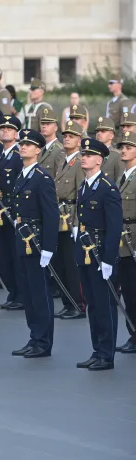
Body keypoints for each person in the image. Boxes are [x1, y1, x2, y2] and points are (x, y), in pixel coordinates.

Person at [74, 138, 122, 371]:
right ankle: (97, 350)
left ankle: (107, 355)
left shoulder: (107, 188)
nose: (84, 157)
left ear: (99, 160)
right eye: (83, 153)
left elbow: (114, 228)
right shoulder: (85, 185)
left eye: (89, 154)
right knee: (92, 304)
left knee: (105, 304)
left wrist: (108, 260)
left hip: (101, 252)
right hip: (85, 251)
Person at [10, 129, 59, 358]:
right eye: (22, 143)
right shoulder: (23, 175)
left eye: (28, 144)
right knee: (28, 294)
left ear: (38, 149)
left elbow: (51, 215)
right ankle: (34, 336)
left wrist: (48, 248)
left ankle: (43, 341)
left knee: (40, 293)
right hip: (23, 240)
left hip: (37, 243)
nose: (23, 147)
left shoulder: (42, 177)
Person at [54, 120, 87, 319]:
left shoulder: (80, 162)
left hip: (71, 217)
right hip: (59, 218)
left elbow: (82, 195)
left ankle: (79, 304)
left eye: (72, 136)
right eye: (65, 135)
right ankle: (68, 302)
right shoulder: (62, 160)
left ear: (80, 140)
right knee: (62, 264)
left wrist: (77, 223)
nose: (67, 138)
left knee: (72, 265)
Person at [0, 115, 24, 310]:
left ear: (16, 133)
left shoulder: (19, 155)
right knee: (3, 255)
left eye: (9, 129)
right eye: (2, 128)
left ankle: (20, 294)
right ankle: (13, 291)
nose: (5, 131)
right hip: (0, 210)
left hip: (13, 209)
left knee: (15, 253)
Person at [116, 131, 136, 354]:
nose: (124, 149)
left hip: (134, 240)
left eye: (129, 146)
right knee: (128, 291)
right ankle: (133, 334)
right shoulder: (124, 176)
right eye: (122, 146)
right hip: (123, 241)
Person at [95, 117, 125, 181]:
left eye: (103, 131)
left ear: (111, 136)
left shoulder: (117, 156)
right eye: (97, 131)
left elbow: (119, 181)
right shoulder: (91, 154)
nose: (99, 133)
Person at [106, 73, 132, 145]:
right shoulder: (110, 102)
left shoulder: (124, 101)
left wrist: (119, 140)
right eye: (109, 83)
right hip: (109, 138)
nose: (109, 86)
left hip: (117, 139)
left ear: (119, 84)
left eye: (112, 83)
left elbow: (125, 122)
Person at [38, 108, 63, 178]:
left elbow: (59, 178)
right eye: (42, 123)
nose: (44, 126)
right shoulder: (39, 148)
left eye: (48, 124)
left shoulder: (60, 150)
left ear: (56, 128)